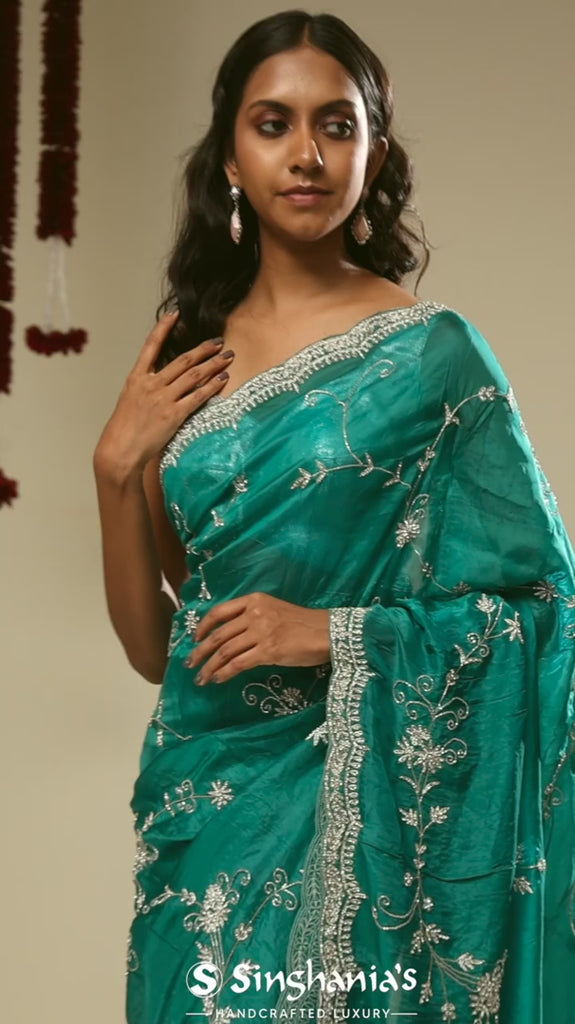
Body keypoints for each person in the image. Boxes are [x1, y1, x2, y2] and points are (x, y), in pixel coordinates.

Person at [93, 11, 575, 1024]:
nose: (306, 154)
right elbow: (159, 644)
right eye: (273, 123)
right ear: (231, 154)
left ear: (374, 156)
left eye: (336, 125)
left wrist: (339, 635)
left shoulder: (432, 356)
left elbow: (542, 608)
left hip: (374, 817)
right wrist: (114, 469)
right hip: (209, 804)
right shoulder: (190, 353)